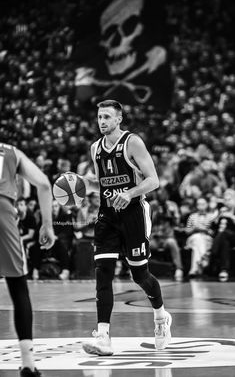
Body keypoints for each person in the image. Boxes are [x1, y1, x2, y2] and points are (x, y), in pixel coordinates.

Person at [81, 99, 172, 356]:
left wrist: (130, 193)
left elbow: (153, 180)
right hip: (107, 215)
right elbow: (102, 182)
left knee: (140, 275)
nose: (102, 122)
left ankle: (160, 317)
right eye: (99, 117)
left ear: (119, 119)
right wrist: (80, 184)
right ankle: (103, 336)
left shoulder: (132, 142)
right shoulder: (95, 149)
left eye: (107, 117)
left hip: (134, 214)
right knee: (103, 272)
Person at [0, 142, 56, 377]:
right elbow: (43, 183)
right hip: (2, 209)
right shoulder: (10, 151)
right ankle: (27, 363)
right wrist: (47, 224)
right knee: (18, 286)